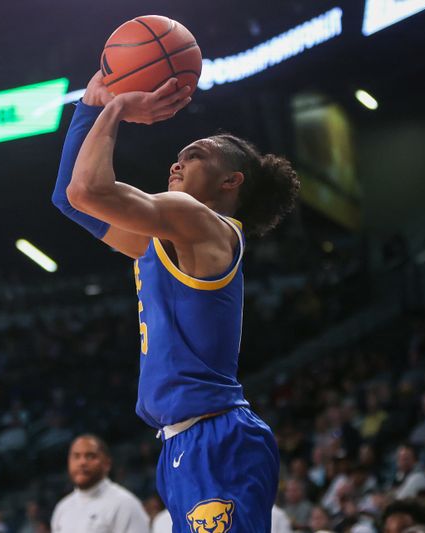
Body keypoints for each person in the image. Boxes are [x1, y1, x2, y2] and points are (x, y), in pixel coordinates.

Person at [52, 70, 299, 531]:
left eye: (195, 155)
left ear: (231, 182)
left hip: (217, 439)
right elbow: (70, 198)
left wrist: (119, 108)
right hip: (183, 443)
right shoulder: (159, 239)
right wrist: (90, 106)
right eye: (179, 156)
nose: (177, 163)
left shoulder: (205, 223)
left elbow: (87, 190)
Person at [51, 434, 150, 533]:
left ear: (107, 463)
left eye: (90, 456)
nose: (82, 462)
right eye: (76, 456)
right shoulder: (63, 508)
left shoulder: (125, 505)